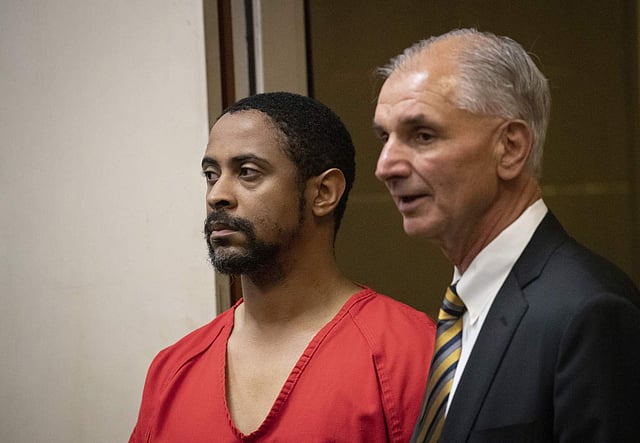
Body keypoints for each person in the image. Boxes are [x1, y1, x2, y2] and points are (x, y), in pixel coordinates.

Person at [373, 28, 640, 443]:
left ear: (510, 148)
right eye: (384, 137)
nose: (386, 166)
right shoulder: (465, 308)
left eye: (422, 136)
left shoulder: (588, 311)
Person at [129, 91, 435, 442]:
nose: (217, 195)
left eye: (247, 172)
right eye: (211, 175)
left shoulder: (409, 355)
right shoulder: (172, 371)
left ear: (323, 193)